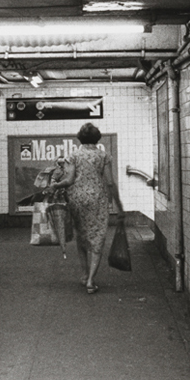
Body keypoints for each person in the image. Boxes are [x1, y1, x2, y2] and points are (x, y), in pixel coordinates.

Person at [46, 123, 123, 294]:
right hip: (97, 199)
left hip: (77, 199)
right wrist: (119, 205)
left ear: (79, 138)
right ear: (97, 138)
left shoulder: (73, 155)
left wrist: (56, 185)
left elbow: (69, 180)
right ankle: (90, 280)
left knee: (81, 236)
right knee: (97, 237)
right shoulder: (104, 156)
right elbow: (110, 182)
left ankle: (84, 273)